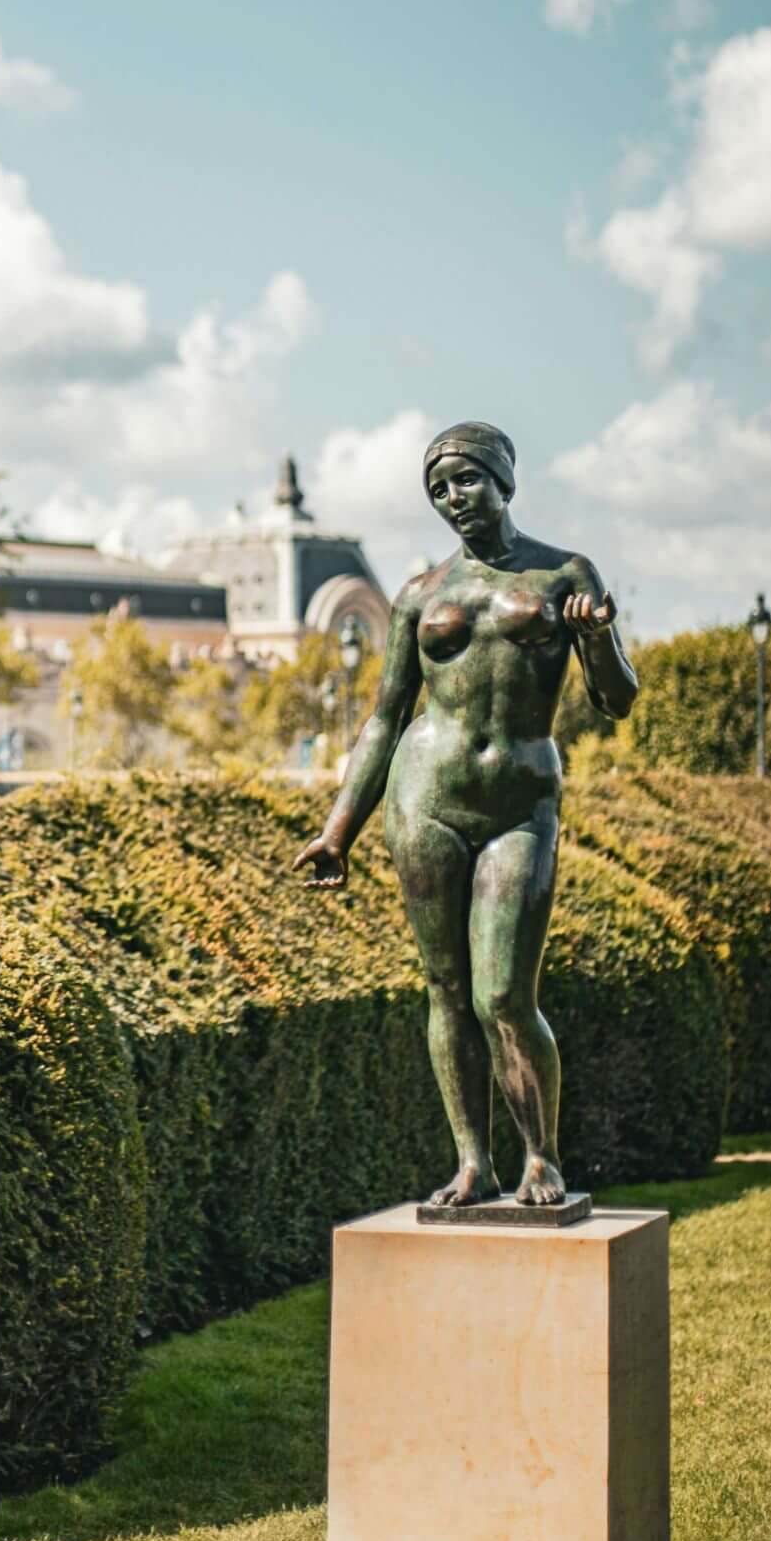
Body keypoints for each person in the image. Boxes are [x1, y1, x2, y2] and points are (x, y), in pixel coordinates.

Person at [293, 422, 638, 1207]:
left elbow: (616, 699)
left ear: (503, 481)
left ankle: (541, 1157)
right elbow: (384, 717)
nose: (455, 498)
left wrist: (599, 635)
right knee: (446, 989)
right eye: (439, 488)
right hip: (427, 800)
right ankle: (473, 1163)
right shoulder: (420, 595)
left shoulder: (563, 575)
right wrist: (337, 830)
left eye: (468, 481)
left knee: (506, 996)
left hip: (521, 805)